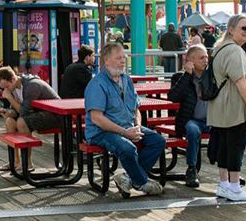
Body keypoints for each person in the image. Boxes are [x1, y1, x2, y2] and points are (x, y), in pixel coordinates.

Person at [84, 42, 166, 196]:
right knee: (128, 148)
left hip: (128, 127)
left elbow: (136, 108)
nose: (123, 61)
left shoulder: (127, 80)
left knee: (158, 141)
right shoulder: (97, 84)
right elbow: (97, 118)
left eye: (124, 57)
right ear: (106, 61)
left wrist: (137, 127)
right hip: (101, 132)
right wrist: (125, 132)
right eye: (118, 58)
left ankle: (128, 177)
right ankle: (142, 182)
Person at [206, 14, 246, 201]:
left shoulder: (219, 48)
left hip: (218, 105)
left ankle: (224, 184)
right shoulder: (235, 51)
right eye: (243, 29)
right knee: (236, 144)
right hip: (233, 105)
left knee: (223, 144)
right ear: (231, 29)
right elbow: (240, 82)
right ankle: (235, 187)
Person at [0, 66, 61, 171]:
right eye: (3, 88)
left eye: (6, 86)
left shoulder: (32, 85)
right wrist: (8, 113)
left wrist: (10, 98)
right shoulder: (15, 87)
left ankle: (27, 163)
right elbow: (17, 110)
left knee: (22, 122)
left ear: (13, 79)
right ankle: (15, 162)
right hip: (38, 113)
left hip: (55, 115)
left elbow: (23, 111)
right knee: (10, 121)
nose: (5, 90)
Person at [167, 44, 209, 188]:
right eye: (201, 58)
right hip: (192, 120)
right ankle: (191, 169)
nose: (205, 60)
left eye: (207, 57)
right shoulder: (179, 77)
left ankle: (229, 171)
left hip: (212, 120)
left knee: (231, 128)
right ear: (190, 60)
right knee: (192, 130)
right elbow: (173, 97)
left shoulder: (211, 76)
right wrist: (187, 75)